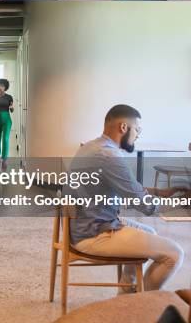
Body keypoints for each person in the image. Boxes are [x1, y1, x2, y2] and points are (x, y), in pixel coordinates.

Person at [68, 104, 184, 292]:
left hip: (83, 225)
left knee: (150, 233)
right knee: (174, 255)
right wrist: (181, 204)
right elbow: (145, 205)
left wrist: (159, 192)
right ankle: (138, 304)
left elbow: (128, 189)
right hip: (95, 234)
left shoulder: (91, 146)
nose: (138, 135)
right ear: (123, 127)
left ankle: (125, 293)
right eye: (137, 130)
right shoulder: (109, 156)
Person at [0, 78, 14, 162]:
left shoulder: (9, 97)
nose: (1, 87)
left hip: (7, 119)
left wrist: (11, 107)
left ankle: (4, 157)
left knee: (5, 138)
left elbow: (11, 110)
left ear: (5, 87)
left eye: (2, 86)